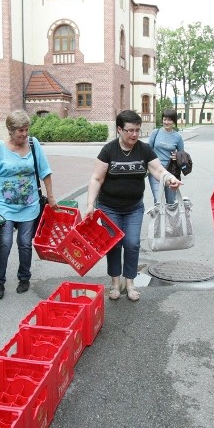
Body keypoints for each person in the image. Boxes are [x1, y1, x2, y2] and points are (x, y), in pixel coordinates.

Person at [86, 110, 182, 302]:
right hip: (109, 207)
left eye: (137, 130)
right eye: (130, 130)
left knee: (132, 244)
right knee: (114, 245)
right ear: (119, 129)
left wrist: (169, 178)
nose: (135, 134)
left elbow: (157, 169)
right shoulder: (108, 150)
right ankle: (115, 283)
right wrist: (90, 205)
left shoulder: (143, 149)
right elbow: (96, 178)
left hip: (133, 207)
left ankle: (129, 283)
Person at [0, 110, 56, 299]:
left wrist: (51, 196)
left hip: (30, 204)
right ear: (10, 130)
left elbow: (45, 172)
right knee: (5, 242)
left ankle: (24, 277)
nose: (25, 134)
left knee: (25, 243)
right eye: (20, 130)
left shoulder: (34, 145)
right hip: (4, 206)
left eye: (26, 129)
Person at [147, 108, 185, 204]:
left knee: (170, 201)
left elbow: (182, 155)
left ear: (174, 121)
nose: (166, 122)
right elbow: (148, 150)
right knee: (158, 200)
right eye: (165, 119)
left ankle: (170, 218)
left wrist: (177, 156)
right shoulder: (156, 133)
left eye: (169, 120)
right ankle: (159, 219)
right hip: (155, 171)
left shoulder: (178, 137)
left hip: (171, 171)